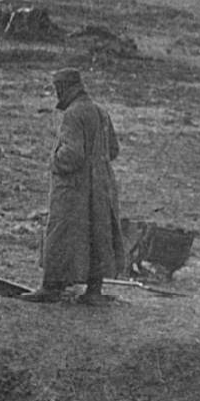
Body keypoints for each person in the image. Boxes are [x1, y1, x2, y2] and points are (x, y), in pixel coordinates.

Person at [23, 68, 125, 305]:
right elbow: (114, 149)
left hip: (74, 188)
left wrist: (54, 161)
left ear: (64, 88)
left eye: (57, 88)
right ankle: (93, 291)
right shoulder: (101, 111)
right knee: (98, 235)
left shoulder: (73, 114)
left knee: (61, 233)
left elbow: (72, 156)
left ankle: (50, 288)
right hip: (101, 186)